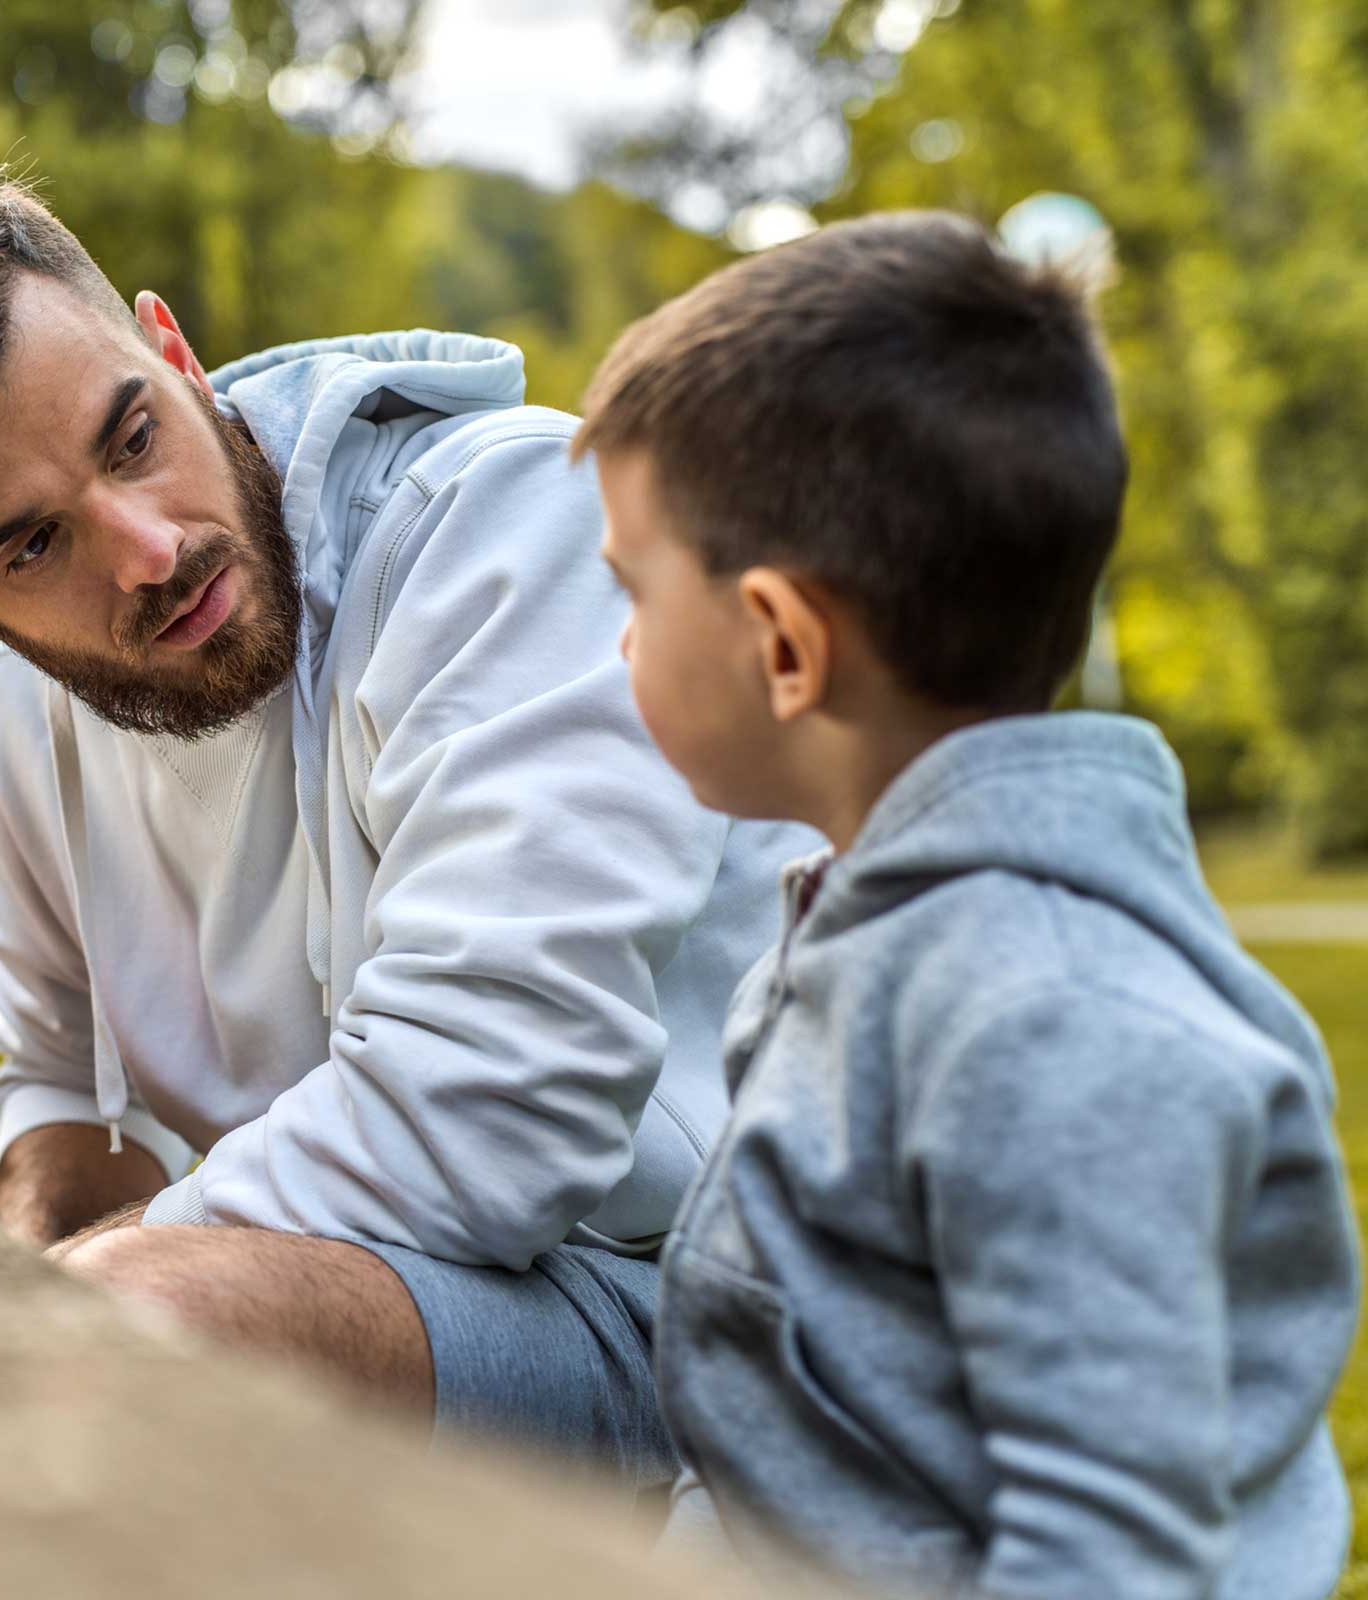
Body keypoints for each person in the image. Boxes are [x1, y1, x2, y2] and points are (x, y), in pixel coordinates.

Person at [0, 169, 810, 1481]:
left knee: (127, 1327)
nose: (146, 549)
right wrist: (52, 1229)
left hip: (722, 1317)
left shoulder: (507, 526)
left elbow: (500, 1114)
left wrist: (92, 1279)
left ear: (174, 353)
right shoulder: (17, 720)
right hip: (411, 1283)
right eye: (32, 546)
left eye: (132, 437)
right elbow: (57, 1092)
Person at [578, 210, 1359, 1596]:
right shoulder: (870, 931)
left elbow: (1110, 1561)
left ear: (783, 641)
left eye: (632, 590)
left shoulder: (1050, 1021)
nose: (621, 641)